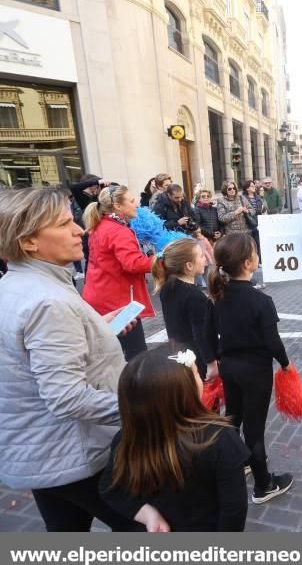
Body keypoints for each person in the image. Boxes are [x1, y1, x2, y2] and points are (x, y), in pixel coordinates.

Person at [0, 187, 142, 532]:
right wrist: (147, 410)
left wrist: (100, 328)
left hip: (43, 452)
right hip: (74, 454)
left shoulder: (17, 285)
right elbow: (65, 396)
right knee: (145, 527)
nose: (79, 229)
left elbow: (29, 356)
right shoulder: (48, 302)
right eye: (64, 224)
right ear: (30, 242)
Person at [100, 346, 250, 531]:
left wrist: (147, 514)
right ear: (184, 391)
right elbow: (233, 513)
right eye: (195, 373)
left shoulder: (126, 439)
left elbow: (110, 487)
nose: (200, 376)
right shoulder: (220, 438)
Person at [206, 233, 294, 503]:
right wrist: (286, 363)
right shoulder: (261, 301)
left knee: (232, 418)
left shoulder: (217, 295)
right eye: (255, 252)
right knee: (254, 429)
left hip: (229, 367)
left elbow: (209, 335)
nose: (257, 256)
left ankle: (235, 463)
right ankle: (263, 485)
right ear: (247, 263)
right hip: (255, 370)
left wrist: (215, 362)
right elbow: (272, 342)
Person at [82, 185, 157, 361]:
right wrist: (161, 261)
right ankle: (129, 388)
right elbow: (133, 264)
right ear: (117, 206)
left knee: (114, 351)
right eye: (131, 201)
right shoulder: (118, 231)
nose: (136, 204)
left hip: (101, 295)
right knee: (136, 354)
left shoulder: (101, 225)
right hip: (119, 302)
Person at [151, 238, 218, 379]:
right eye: (201, 255)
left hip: (179, 355)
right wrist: (211, 363)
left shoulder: (167, 287)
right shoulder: (195, 296)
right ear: (189, 265)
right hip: (197, 360)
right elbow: (200, 334)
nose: (205, 257)